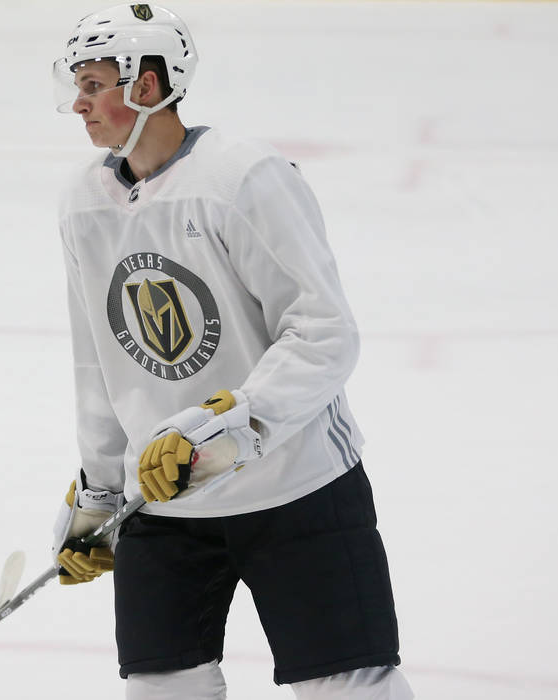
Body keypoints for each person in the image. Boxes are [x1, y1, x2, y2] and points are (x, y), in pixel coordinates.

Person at [48, 5, 413, 699]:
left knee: (351, 688)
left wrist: (234, 426)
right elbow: (97, 361)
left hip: (297, 487)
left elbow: (323, 330)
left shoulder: (244, 178)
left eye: (94, 84)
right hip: (164, 500)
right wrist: (99, 494)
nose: (79, 104)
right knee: (163, 690)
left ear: (146, 87)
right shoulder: (82, 203)